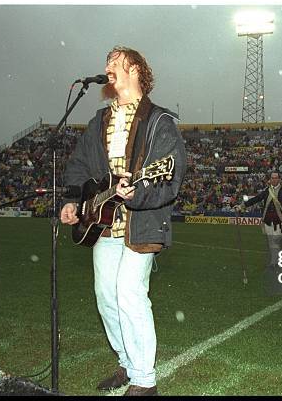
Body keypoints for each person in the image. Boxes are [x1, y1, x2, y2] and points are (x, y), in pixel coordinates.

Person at [60, 46, 186, 396]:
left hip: (141, 224)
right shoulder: (99, 121)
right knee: (105, 295)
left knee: (130, 293)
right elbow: (79, 165)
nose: (106, 69)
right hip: (103, 224)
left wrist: (138, 194)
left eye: (113, 63)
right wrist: (73, 201)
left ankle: (145, 380)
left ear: (133, 68)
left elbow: (170, 179)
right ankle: (127, 363)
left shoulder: (160, 122)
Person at [236, 172, 282, 272]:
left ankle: (276, 262)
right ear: (270, 180)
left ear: (279, 179)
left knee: (275, 241)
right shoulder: (267, 191)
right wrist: (242, 206)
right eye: (272, 178)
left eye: (276, 178)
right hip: (268, 221)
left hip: (279, 221)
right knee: (271, 242)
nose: (274, 180)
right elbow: (256, 199)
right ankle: (275, 261)